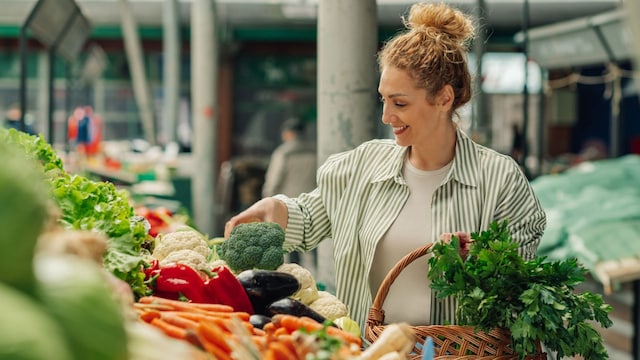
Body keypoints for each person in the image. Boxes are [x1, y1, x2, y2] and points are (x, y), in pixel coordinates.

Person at [224, 2, 546, 331]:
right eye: (384, 99)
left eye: (400, 103)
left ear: (444, 98)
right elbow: (309, 217)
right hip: (367, 350)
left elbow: (527, 286)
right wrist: (275, 209)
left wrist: (484, 260)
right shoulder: (361, 166)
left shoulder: (500, 181)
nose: (386, 117)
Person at [262, 117, 317, 264]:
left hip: (290, 205)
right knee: (315, 242)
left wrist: (267, 200)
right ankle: (317, 274)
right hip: (313, 204)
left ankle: (298, 278)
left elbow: (273, 181)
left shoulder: (283, 153)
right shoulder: (315, 151)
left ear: (288, 134)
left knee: (293, 245)